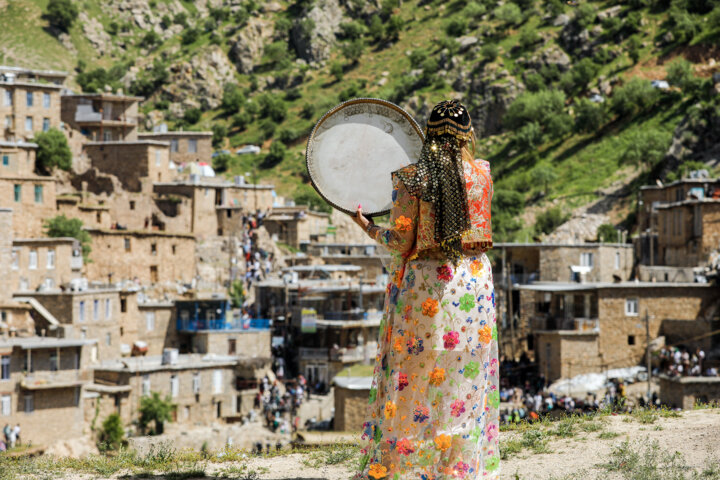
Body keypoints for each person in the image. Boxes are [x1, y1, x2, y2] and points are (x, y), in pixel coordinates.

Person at [353, 100, 498, 479]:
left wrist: (367, 226)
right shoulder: (482, 173)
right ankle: (459, 468)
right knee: (464, 374)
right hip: (474, 282)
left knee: (417, 372)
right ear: (468, 135)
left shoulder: (411, 178)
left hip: (429, 288)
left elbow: (401, 240)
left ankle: (411, 466)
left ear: (428, 134)